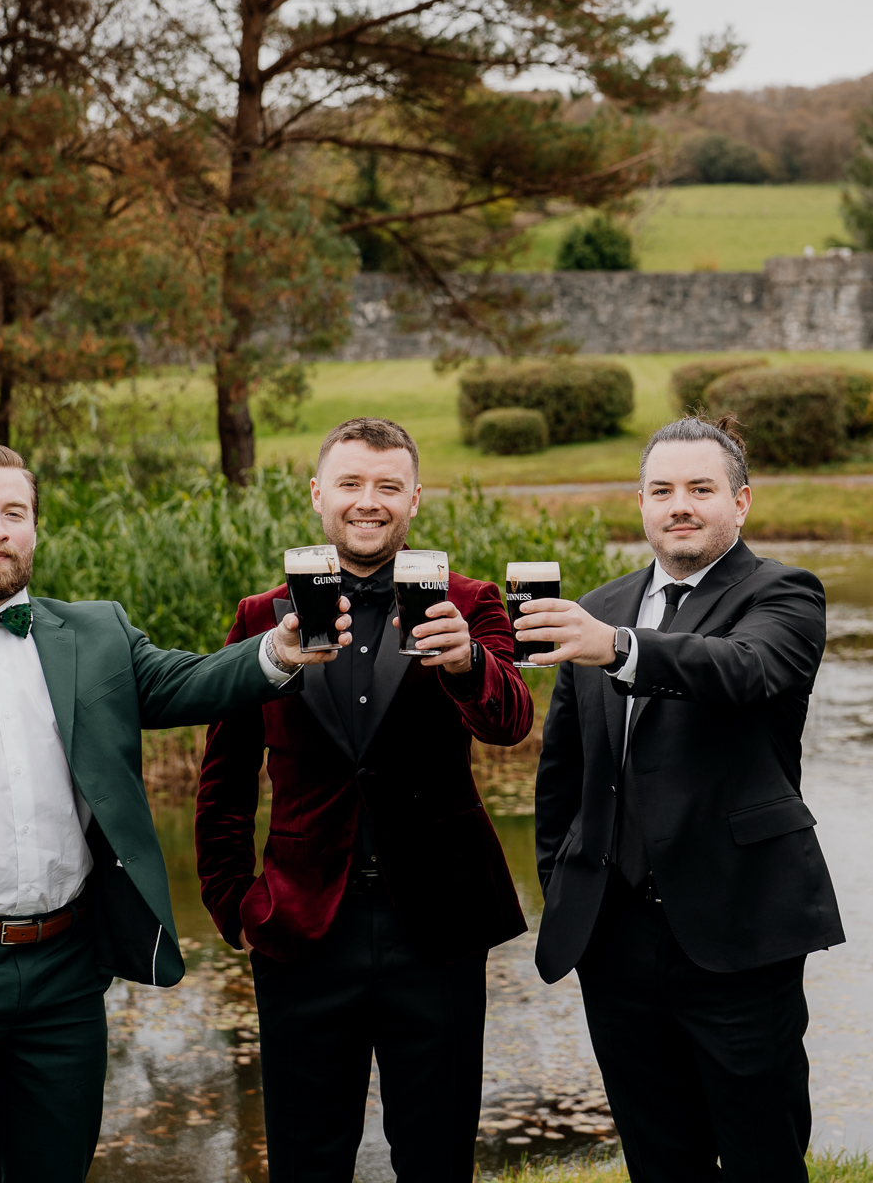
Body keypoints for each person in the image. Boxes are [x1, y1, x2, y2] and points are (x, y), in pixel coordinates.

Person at [0, 443, 346, 1183]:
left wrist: (277, 651)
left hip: (64, 975)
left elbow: (190, 683)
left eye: (14, 513)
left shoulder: (97, 635)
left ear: (34, 530)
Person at [194, 416, 533, 1182]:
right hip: (302, 929)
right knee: (306, 1162)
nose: (368, 502)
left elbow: (510, 722)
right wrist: (231, 904)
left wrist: (467, 663)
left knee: (438, 1158)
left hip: (437, 925)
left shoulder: (469, 602)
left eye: (387, 487)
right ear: (320, 495)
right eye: (351, 484)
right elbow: (223, 779)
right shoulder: (259, 618)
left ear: (415, 499)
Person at [517, 415, 844, 1182]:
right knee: (660, 1159)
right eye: (662, 490)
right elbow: (562, 777)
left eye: (701, 488)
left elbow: (742, 670)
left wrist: (621, 648)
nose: (680, 505)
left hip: (737, 932)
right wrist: (571, 886)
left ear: (742, 502)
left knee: (764, 1158)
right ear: (640, 504)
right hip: (616, 943)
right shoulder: (601, 603)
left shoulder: (784, 594)